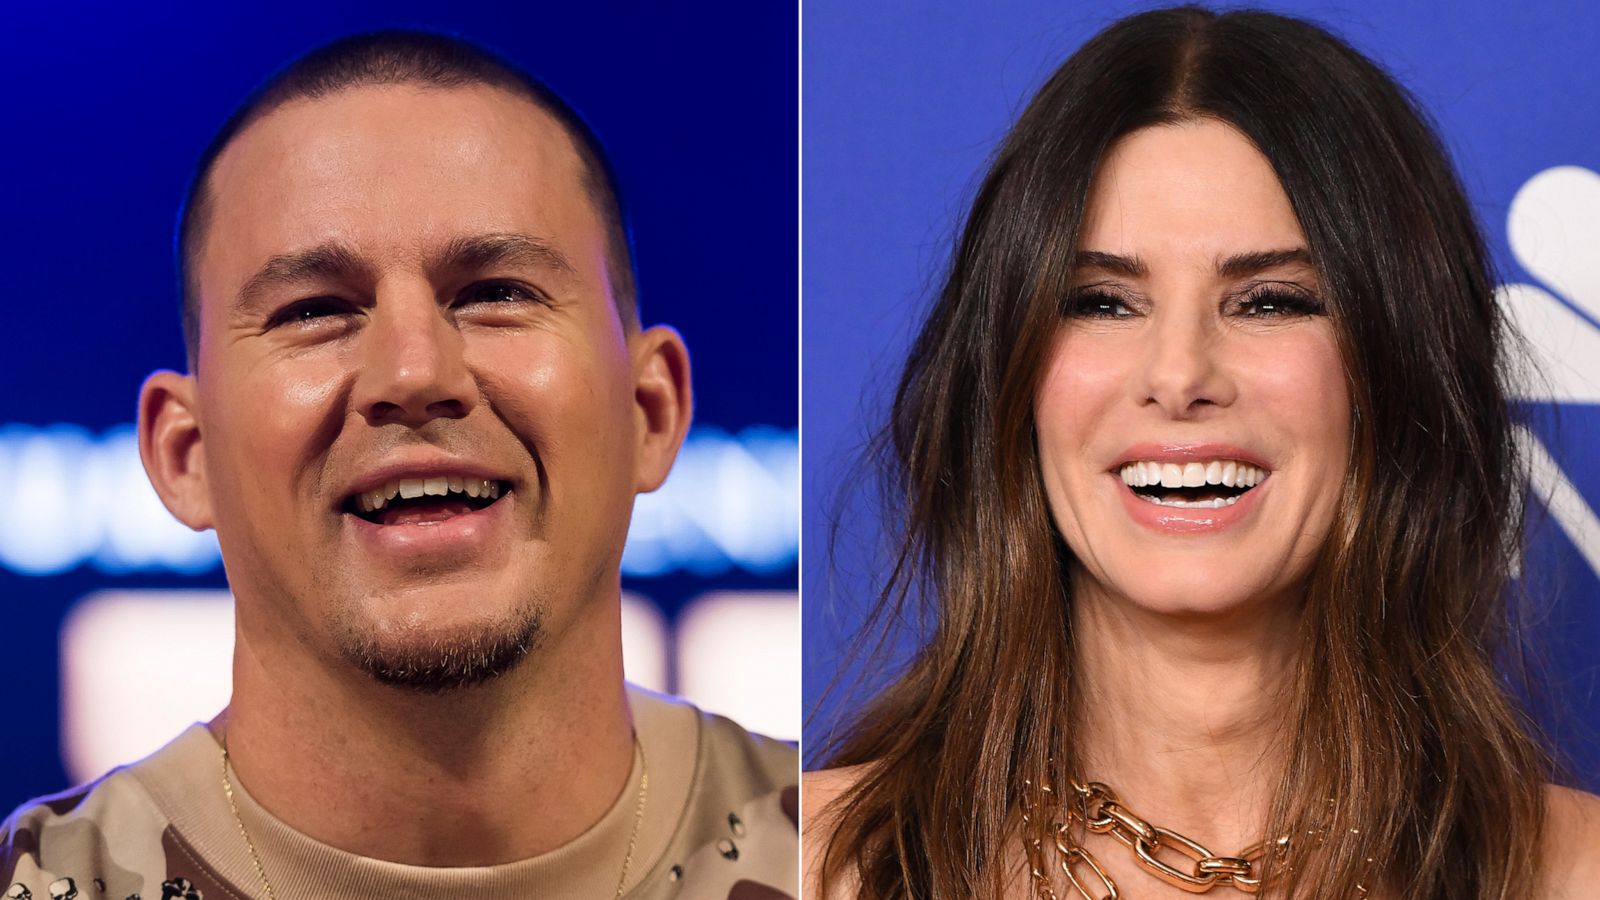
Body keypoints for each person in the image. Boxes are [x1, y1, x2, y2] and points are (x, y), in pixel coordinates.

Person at [803, 7, 1600, 899]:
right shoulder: (814, 865)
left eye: (1270, 300)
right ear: (1010, 380)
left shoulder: (1575, 872)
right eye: (1102, 301)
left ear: (1395, 369)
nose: (1179, 375)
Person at [1, 30, 796, 900]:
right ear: (183, 454)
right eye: (315, 310)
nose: (414, 373)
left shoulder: (869, 858)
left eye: (496, 294)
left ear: (651, 411)